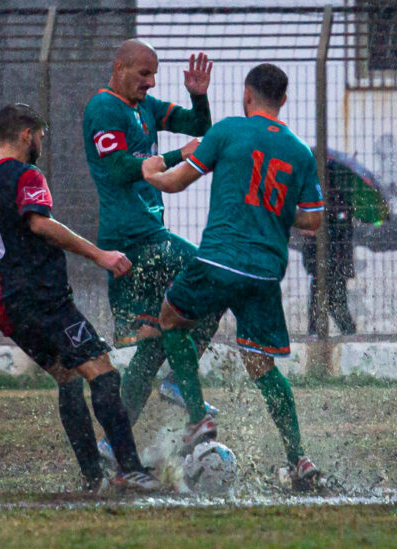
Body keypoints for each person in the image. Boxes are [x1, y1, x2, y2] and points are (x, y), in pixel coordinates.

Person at [0, 103, 158, 493]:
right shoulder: (27, 175)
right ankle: (130, 468)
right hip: (44, 300)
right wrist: (100, 255)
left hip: (6, 311)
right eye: (41, 134)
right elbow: (39, 223)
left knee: (68, 377)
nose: (41, 141)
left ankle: (93, 477)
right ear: (27, 134)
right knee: (103, 372)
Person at [144, 63, 325, 490]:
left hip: (219, 261)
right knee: (261, 364)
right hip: (265, 273)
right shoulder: (300, 152)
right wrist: (277, 211)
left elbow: (175, 182)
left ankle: (197, 416)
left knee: (170, 318)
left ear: (247, 97)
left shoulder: (227, 131)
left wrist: (150, 172)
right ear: (283, 100)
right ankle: (299, 459)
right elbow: (313, 220)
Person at [82, 39, 220, 463]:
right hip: (132, 239)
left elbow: (198, 125)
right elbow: (117, 166)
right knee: (211, 275)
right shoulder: (104, 108)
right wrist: (176, 156)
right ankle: (181, 384)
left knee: (157, 341)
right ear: (119, 66)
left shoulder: (146, 107)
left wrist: (199, 94)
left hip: (150, 233)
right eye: (143, 73)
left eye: (154, 74)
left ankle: (112, 443)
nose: (150, 81)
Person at [300, 160, 357, 335]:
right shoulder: (316, 200)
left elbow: (342, 234)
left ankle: (348, 336)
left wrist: (317, 229)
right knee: (320, 307)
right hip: (321, 265)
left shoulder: (337, 201)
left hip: (334, 265)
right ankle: (325, 338)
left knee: (334, 306)